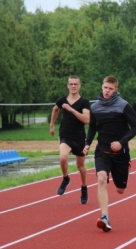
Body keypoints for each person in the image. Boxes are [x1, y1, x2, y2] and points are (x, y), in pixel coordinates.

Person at [84, 76, 136, 232]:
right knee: (101, 178)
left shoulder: (124, 106)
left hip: (120, 153)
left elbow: (135, 127)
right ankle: (105, 217)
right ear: (102, 87)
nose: (107, 91)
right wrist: (87, 144)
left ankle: (124, 168)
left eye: (110, 89)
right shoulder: (94, 108)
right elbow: (92, 128)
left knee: (120, 190)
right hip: (102, 151)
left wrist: (121, 142)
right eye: (105, 88)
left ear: (116, 90)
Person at [49, 75, 91, 204]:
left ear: (80, 86)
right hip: (65, 135)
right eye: (71, 84)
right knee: (63, 157)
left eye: (75, 84)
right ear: (67, 86)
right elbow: (55, 109)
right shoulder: (61, 100)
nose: (73, 86)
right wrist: (52, 125)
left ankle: (84, 187)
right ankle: (66, 178)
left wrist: (71, 110)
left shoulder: (84, 102)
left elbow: (86, 120)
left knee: (81, 166)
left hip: (79, 137)